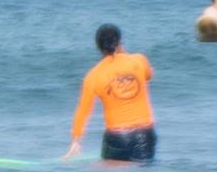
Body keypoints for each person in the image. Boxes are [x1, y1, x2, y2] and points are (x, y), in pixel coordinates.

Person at [66, 24, 156, 164]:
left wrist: (76, 142)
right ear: (120, 41)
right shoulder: (139, 60)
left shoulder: (93, 76)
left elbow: (83, 111)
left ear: (98, 47)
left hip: (117, 137)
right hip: (144, 134)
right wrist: (122, 52)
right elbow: (149, 74)